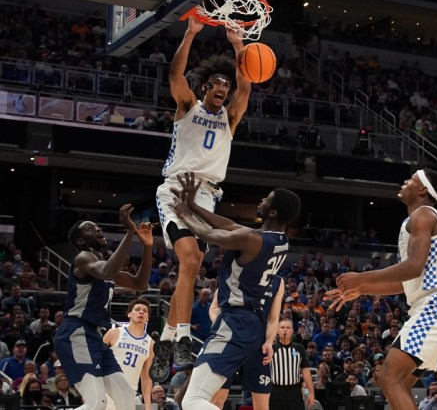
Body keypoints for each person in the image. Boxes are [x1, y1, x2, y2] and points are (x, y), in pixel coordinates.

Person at [150, 15, 252, 381]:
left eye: (227, 84)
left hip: (207, 197)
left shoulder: (231, 117)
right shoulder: (188, 107)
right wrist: (191, 34)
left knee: (191, 268)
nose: (224, 88)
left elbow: (246, 86)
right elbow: (175, 76)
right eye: (217, 84)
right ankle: (180, 336)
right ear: (206, 87)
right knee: (190, 259)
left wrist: (239, 46)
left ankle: (165, 343)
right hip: (178, 189)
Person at [325, 168, 437, 410]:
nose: (405, 182)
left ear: (421, 189)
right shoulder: (414, 219)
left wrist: (360, 277)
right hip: (428, 306)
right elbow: (406, 281)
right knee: (399, 384)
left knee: (388, 377)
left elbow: (413, 267)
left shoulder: (424, 215)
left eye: (411, 180)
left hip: (435, 305)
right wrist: (364, 288)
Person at [171, 172, 300, 410]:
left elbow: (208, 234)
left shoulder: (253, 240)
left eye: (267, 199)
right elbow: (229, 225)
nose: (261, 201)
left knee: (192, 401)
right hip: (249, 325)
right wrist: (193, 206)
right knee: (185, 398)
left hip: (236, 322)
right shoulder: (278, 240)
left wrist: (182, 213)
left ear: (273, 212)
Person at [54, 204, 154, 410]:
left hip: (95, 335)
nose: (98, 229)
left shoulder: (103, 265)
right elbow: (108, 272)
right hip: (76, 332)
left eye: (98, 226)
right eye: (91, 228)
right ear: (81, 240)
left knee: (127, 396)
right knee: (96, 403)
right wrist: (129, 231)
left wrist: (147, 246)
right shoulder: (83, 258)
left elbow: (140, 284)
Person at [103, 298, 155, 410]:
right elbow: (96, 360)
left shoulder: (151, 344)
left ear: (148, 318)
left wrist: (147, 405)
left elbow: (146, 377)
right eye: (137, 309)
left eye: (145, 311)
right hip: (106, 393)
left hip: (128, 396)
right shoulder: (114, 333)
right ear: (129, 314)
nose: (141, 312)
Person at [270, 319, 316, 410]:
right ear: (277, 331)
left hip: (294, 391)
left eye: (288, 328)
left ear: (292, 331)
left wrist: (311, 393)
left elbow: (306, 371)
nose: (285, 330)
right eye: (282, 327)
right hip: (275, 391)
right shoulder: (271, 348)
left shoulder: (299, 348)